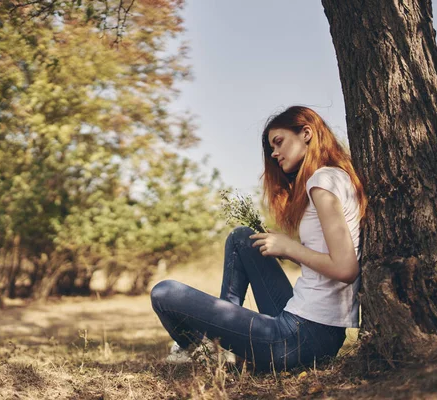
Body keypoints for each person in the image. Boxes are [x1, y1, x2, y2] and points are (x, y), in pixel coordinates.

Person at [150, 106, 368, 372]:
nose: (274, 153)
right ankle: (222, 344)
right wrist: (287, 251)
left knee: (164, 293)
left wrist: (291, 248)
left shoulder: (321, 182)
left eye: (279, 142)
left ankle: (203, 346)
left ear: (307, 133)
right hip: (310, 328)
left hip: (302, 337)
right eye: (271, 147)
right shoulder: (336, 177)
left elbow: (345, 269)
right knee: (243, 238)